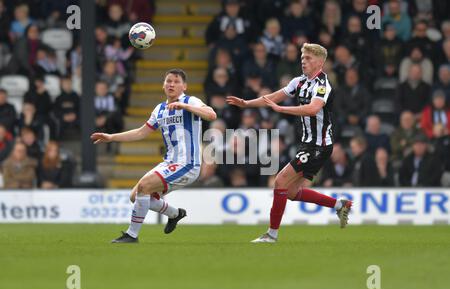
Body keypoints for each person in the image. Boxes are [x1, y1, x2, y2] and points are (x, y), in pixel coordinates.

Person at [227, 43, 352, 243]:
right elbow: (274, 97)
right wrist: (246, 103)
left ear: (320, 62)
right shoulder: (299, 82)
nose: (304, 61)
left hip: (319, 145)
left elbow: (312, 109)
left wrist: (282, 110)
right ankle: (340, 205)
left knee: (279, 181)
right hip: (308, 143)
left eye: (308, 58)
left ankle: (271, 234)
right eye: (302, 58)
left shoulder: (323, 85)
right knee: (291, 192)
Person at [91, 69, 217, 243]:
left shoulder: (190, 101)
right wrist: (111, 137)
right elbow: (141, 133)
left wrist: (184, 106)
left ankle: (131, 235)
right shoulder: (159, 109)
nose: (171, 84)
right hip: (169, 162)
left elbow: (211, 114)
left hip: (187, 164)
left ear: (184, 86)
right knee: (135, 196)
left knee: (144, 186)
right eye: (168, 81)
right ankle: (175, 213)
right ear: (163, 85)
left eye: (176, 81)